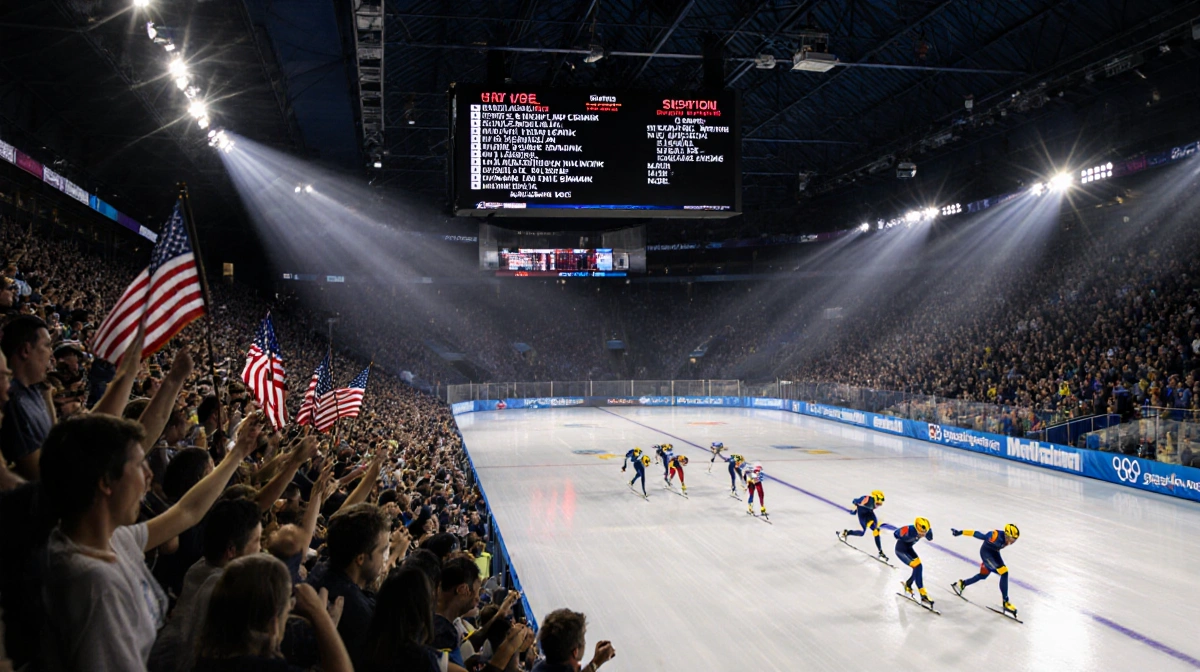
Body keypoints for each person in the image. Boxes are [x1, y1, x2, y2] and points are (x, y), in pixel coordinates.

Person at [38, 411, 265, 671]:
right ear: (105, 483)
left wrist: (237, 454)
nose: (149, 476)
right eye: (138, 465)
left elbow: (186, 512)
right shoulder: (98, 586)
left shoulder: (111, 539)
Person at [148, 498, 264, 672]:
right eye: (257, 541)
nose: (260, 548)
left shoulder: (200, 567)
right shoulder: (224, 590)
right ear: (231, 551)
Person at [193, 554, 352, 672]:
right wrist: (321, 616)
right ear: (273, 624)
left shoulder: (205, 659)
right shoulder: (263, 668)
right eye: (286, 610)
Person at [306, 502, 390, 666]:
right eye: (382, 551)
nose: (384, 559)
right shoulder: (359, 615)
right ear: (360, 559)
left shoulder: (323, 567)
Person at [0, 315, 53, 480]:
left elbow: (53, 439)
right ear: (25, 351)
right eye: (47, 346)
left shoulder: (34, 390)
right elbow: (40, 475)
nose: (51, 354)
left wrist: (47, 393)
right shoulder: (12, 402)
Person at [950, 524, 1020, 616]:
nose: (1013, 541)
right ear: (1007, 535)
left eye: (1015, 539)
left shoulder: (1006, 540)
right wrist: (961, 532)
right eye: (1012, 539)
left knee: (983, 575)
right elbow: (977, 534)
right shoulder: (994, 536)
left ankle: (962, 583)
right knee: (1004, 572)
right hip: (986, 554)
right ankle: (1006, 602)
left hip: (994, 553)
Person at [433, 554, 481, 667]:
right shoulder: (443, 634)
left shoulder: (432, 618)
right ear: (462, 590)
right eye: (476, 591)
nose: (478, 598)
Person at [531, 608, 615, 672]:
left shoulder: (539, 667)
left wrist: (596, 662)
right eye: (582, 639)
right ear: (575, 652)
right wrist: (597, 662)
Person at [895, 517, 934, 608]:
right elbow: (895, 533)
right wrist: (901, 534)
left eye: (924, 533)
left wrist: (928, 533)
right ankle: (923, 594)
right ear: (916, 528)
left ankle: (908, 584)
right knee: (917, 566)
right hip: (900, 551)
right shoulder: (908, 529)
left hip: (909, 549)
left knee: (919, 567)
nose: (923, 535)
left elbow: (930, 538)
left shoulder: (926, 530)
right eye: (921, 533)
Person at [838, 490, 887, 560]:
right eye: (878, 503)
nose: (878, 505)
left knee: (876, 531)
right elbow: (854, 501)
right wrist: (855, 510)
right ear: (874, 499)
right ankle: (845, 533)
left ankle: (880, 553)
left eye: (880, 504)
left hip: (869, 514)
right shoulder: (866, 499)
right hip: (863, 515)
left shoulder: (874, 502)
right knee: (861, 533)